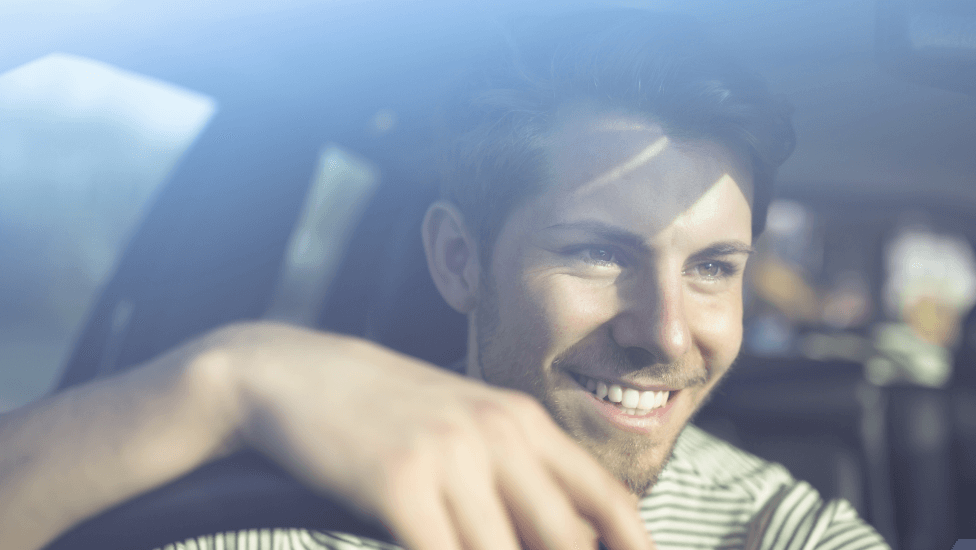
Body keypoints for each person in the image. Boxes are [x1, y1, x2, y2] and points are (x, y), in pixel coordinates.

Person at [0, 11, 890, 550]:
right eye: (598, 254)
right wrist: (227, 380)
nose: (665, 332)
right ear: (459, 259)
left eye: (711, 269)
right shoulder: (241, 512)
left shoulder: (774, 524)